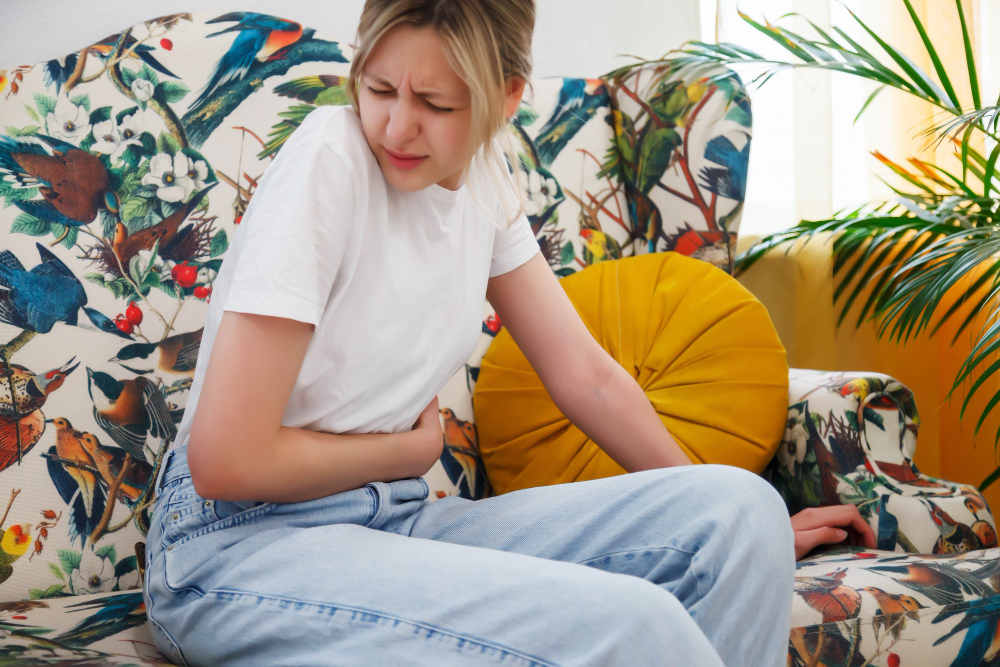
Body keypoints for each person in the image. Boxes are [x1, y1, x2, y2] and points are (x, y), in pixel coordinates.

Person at [142, 1, 876, 665]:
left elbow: (583, 375)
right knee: (638, 625)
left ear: (506, 97)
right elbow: (224, 460)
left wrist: (712, 494)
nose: (398, 127)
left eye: (437, 103)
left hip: (388, 522)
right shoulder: (330, 161)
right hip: (233, 549)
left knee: (742, 517)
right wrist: (409, 449)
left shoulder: (486, 181)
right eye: (378, 88)